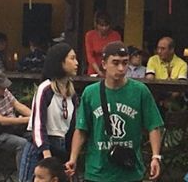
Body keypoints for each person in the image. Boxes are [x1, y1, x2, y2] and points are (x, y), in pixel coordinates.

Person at [66, 42, 164, 182]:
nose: (121, 68)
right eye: (115, 63)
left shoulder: (140, 91)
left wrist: (155, 157)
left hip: (129, 171)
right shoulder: (90, 93)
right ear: (104, 64)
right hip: (97, 171)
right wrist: (73, 159)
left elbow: (153, 126)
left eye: (125, 63)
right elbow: (81, 129)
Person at [19, 43, 79, 181]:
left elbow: (73, 127)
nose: (76, 63)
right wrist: (46, 156)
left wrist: (70, 158)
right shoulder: (46, 89)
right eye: (72, 58)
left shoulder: (72, 93)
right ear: (60, 62)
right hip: (40, 148)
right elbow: (38, 125)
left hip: (60, 147)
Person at [84, 12, 121, 76]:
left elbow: (118, 54)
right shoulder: (90, 35)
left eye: (106, 25)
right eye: (101, 25)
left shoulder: (115, 35)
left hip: (111, 68)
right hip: (94, 70)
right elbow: (90, 56)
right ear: (96, 25)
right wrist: (98, 72)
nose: (104, 28)